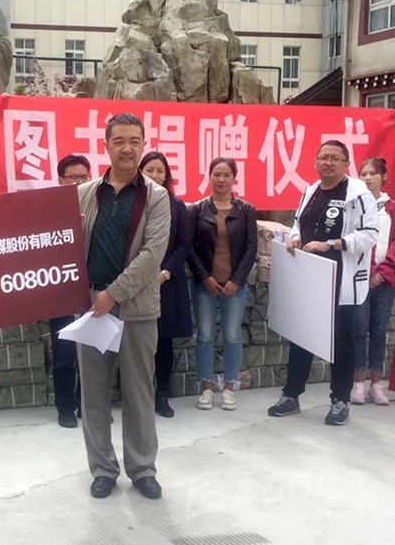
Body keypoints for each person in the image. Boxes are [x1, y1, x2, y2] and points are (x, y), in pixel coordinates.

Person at [76, 113, 170, 501]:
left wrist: (113, 294)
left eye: (134, 141)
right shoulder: (85, 193)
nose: (127, 148)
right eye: (119, 141)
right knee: (93, 394)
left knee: (139, 391)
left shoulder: (156, 196)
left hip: (136, 308)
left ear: (143, 144)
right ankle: (102, 469)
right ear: (106, 146)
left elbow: (151, 255)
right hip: (90, 307)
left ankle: (143, 468)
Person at [268, 140, 377, 425]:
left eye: (335, 158)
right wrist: (295, 238)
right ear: (315, 161)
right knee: (300, 337)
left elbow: (369, 235)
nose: (328, 162)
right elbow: (298, 223)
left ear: (346, 164)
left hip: (341, 280)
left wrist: (331, 244)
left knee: (342, 342)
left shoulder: (358, 194)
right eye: (323, 157)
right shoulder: (310, 191)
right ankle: (291, 395)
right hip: (309, 278)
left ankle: (340, 400)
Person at [188, 158, 257, 412]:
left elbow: (251, 248)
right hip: (204, 284)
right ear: (209, 176)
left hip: (234, 286)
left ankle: (229, 387)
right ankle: (206, 387)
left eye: (226, 174)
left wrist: (237, 280)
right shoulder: (197, 209)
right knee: (205, 335)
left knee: (232, 335)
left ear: (234, 178)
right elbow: (189, 248)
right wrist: (204, 277)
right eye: (216, 174)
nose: (221, 179)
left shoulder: (246, 210)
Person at [138, 151, 193, 418]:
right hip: (135, 283)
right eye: (150, 170)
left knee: (163, 342)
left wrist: (165, 272)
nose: (155, 175)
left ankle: (161, 394)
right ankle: (138, 396)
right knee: (136, 343)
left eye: (160, 171)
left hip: (166, 284)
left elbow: (184, 245)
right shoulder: (132, 203)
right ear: (140, 172)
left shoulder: (176, 206)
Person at [48, 154, 91, 428]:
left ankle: (89, 405)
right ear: (60, 180)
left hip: (92, 288)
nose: (78, 182)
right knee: (64, 353)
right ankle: (65, 406)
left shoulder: (99, 205)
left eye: (83, 177)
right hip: (60, 290)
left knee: (92, 353)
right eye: (72, 177)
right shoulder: (48, 210)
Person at [352, 157, 395, 406]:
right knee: (358, 330)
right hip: (359, 279)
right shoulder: (355, 206)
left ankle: (376, 384)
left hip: (384, 281)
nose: (367, 178)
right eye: (363, 174)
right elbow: (354, 240)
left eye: (372, 173)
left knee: (378, 331)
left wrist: (382, 272)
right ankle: (358, 382)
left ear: (384, 177)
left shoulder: (391, 208)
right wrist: (367, 272)